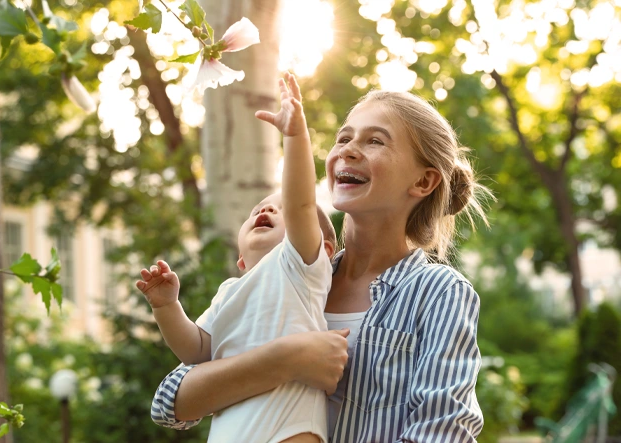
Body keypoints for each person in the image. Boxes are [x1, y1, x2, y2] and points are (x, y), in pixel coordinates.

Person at [150, 86, 489, 442]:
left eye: (375, 141)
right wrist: (286, 358)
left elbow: (442, 432)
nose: (348, 150)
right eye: (343, 138)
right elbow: (170, 404)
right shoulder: (288, 276)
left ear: (423, 181)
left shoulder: (438, 293)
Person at [137, 73, 338, 443]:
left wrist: (294, 137)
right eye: (258, 209)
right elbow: (197, 351)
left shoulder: (299, 268)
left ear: (323, 250)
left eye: (280, 210)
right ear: (241, 261)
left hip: (286, 427)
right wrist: (167, 308)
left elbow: (301, 202)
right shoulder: (230, 291)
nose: (267, 209)